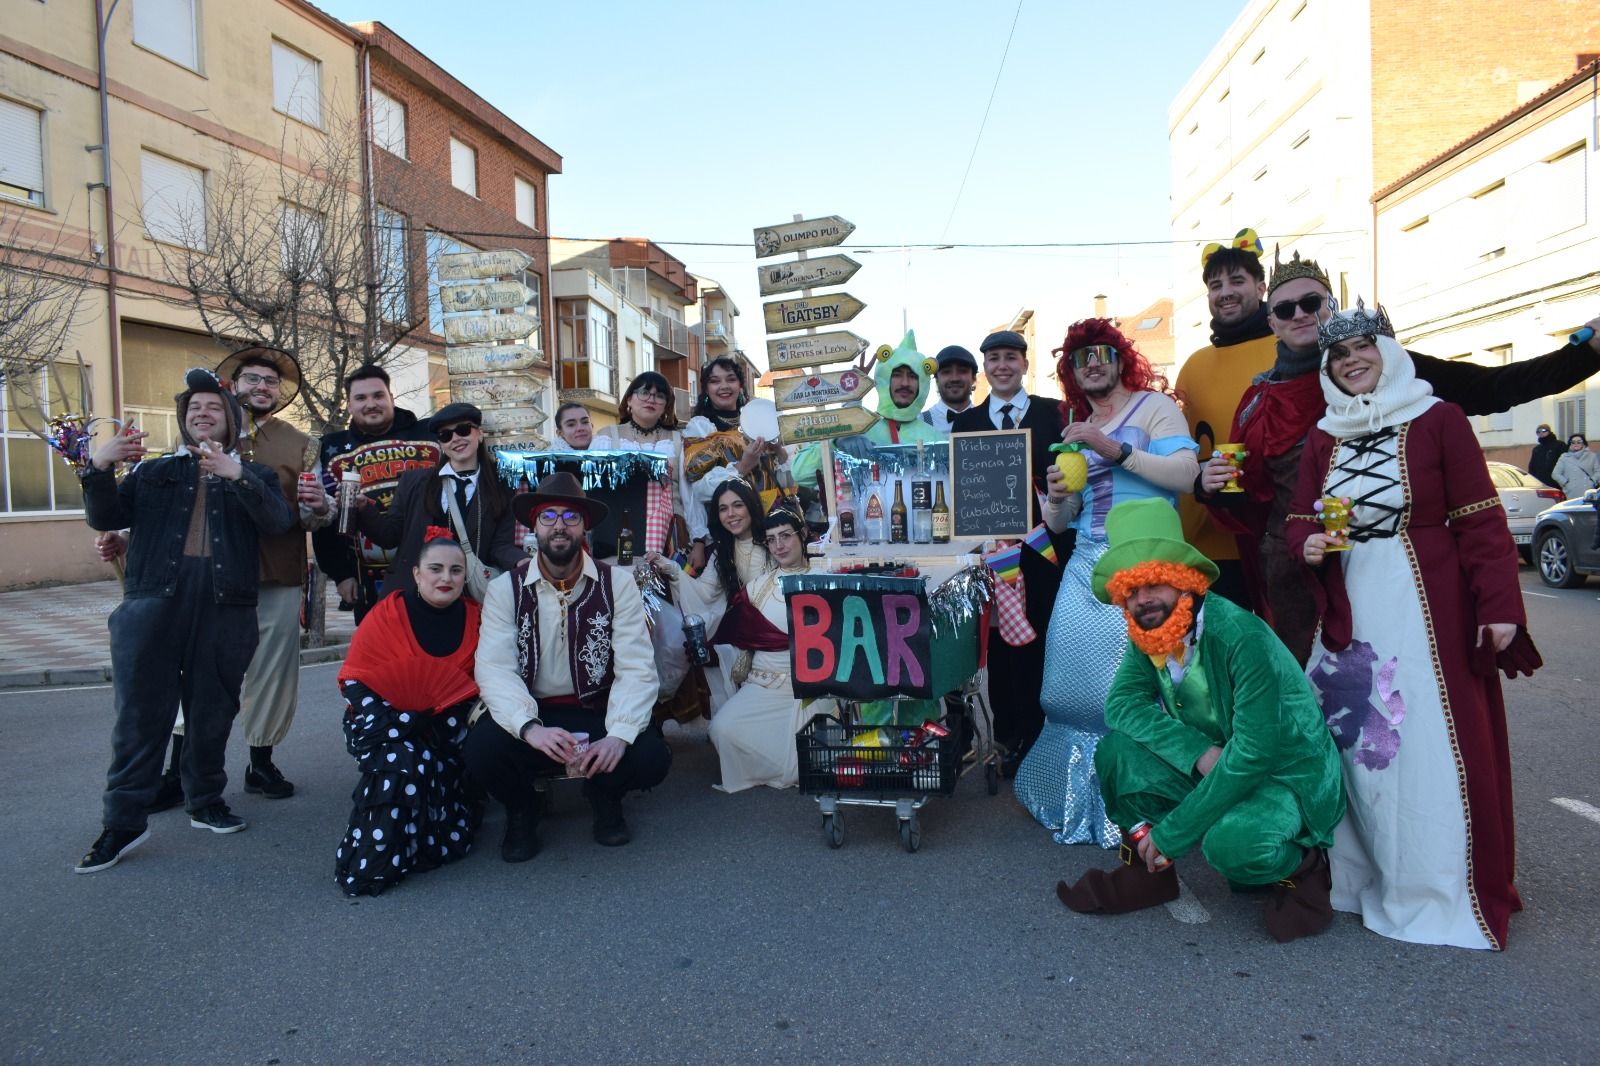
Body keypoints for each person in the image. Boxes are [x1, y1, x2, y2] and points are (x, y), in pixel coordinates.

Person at [1198, 247, 1600, 664]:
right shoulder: (1258, 400)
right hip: (1295, 576)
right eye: (1285, 308)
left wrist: (1582, 355)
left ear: (1330, 305)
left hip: (1394, 569)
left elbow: (1493, 387)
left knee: (1404, 692)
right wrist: (1209, 486)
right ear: (1272, 321)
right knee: (1312, 704)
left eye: (1311, 303)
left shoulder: (1382, 368)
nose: (1299, 314)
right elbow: (1251, 500)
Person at [1288, 302, 1539, 950]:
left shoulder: (1438, 420)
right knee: (1357, 750)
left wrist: (1501, 607)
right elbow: (1298, 521)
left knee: (1427, 749)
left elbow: (1481, 520)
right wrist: (1309, 544)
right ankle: (1360, 875)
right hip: (1351, 610)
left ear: (1389, 351)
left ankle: (1431, 884)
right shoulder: (1323, 437)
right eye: (1339, 356)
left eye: (1363, 348)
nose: (1352, 362)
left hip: (1428, 608)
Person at [1055, 499, 1346, 944]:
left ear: (1182, 579)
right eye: (1130, 590)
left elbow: (1254, 756)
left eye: (1153, 583)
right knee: (1116, 753)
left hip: (1284, 774)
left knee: (1230, 846)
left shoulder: (1239, 636)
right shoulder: (1150, 633)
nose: (1142, 599)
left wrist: (1174, 832)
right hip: (1218, 763)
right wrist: (1196, 752)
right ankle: (1150, 871)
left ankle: (1302, 868)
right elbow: (1122, 706)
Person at [74, 369, 293, 874]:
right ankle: (123, 821)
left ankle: (205, 801)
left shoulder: (254, 476)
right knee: (139, 716)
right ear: (183, 419)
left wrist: (234, 475)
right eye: (194, 408)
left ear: (232, 422)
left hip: (225, 606)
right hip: (153, 604)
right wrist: (99, 467)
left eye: (213, 407)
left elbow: (279, 523)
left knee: (213, 712)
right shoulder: (152, 473)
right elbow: (105, 517)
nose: (202, 413)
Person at [1015, 320, 1198, 846]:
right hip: (1088, 568)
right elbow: (1059, 523)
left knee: (1142, 695)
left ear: (1120, 360)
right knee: (1067, 691)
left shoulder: (1155, 408)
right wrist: (1053, 495)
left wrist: (1112, 448)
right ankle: (1068, 798)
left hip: (1152, 570)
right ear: (1071, 372)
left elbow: (1186, 475)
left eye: (1102, 353)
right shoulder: (1075, 424)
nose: (1092, 363)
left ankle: (1147, 802)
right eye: (1080, 358)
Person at [464, 473, 669, 859]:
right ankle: (522, 807)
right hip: (533, 711)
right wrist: (529, 728)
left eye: (571, 516)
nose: (559, 525)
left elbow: (637, 668)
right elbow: (494, 669)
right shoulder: (504, 589)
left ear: (584, 527)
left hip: (595, 708)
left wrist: (618, 736)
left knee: (650, 757)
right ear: (534, 526)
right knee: (480, 752)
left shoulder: (618, 584)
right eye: (549, 516)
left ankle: (605, 795)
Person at [333, 528, 483, 896]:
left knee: (426, 755)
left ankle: (418, 845)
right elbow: (357, 679)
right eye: (435, 569)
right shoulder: (388, 614)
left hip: (447, 725)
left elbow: (483, 681)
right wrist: (400, 722)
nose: (446, 578)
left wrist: (434, 719)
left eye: (455, 571)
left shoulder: (477, 619)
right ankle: (374, 860)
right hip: (381, 719)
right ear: (416, 574)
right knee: (400, 758)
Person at [950, 329, 1065, 771]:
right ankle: (1007, 738)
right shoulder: (967, 422)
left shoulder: (1052, 413)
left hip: (1045, 550)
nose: (1002, 365)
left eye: (1010, 358)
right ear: (986, 368)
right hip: (993, 555)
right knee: (999, 646)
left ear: (1024, 364)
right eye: (994, 358)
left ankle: (1041, 735)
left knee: (1041, 638)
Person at [665, 505, 826, 791]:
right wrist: (716, 652)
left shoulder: (827, 580)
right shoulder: (757, 588)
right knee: (722, 729)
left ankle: (789, 762)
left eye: (786, 536)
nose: (779, 545)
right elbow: (737, 641)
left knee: (814, 754)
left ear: (802, 535)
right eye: (772, 539)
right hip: (763, 685)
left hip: (812, 687)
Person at [1173, 231, 1274, 606]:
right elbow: (1179, 455)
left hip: (1278, 537)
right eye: (1216, 285)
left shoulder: (1290, 350)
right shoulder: (1194, 366)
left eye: (1237, 281)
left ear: (1261, 286)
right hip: (1210, 548)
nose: (1225, 292)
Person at [355, 403, 523, 600]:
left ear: (479, 433)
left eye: (463, 430)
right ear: (441, 444)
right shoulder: (414, 482)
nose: (456, 439)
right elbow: (389, 535)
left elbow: (500, 546)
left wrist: (522, 561)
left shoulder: (502, 486)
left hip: (470, 599)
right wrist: (364, 508)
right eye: (446, 435)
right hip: (414, 595)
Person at [313, 364, 437, 622]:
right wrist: (341, 573)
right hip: (366, 578)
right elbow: (325, 517)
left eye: (378, 395)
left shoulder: (431, 433)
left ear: (391, 398)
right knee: (380, 653)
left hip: (434, 570)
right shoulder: (330, 448)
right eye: (361, 398)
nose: (371, 404)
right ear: (349, 405)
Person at [788, 331, 946, 488]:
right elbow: (800, 473)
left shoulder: (936, 438)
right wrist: (837, 440)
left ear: (923, 383)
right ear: (884, 379)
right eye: (897, 375)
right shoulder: (861, 426)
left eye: (912, 376)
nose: (904, 383)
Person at [668, 478, 771, 713]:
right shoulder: (720, 552)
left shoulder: (772, 542)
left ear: (751, 506)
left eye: (737, 505)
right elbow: (704, 591)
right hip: (741, 633)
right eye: (723, 509)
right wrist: (672, 571)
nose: (731, 514)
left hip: (774, 634)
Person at [592, 370, 705, 555]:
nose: (651, 400)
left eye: (660, 396)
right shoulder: (607, 437)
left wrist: (699, 541)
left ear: (666, 406)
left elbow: (690, 496)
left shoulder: (679, 441)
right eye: (644, 392)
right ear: (629, 399)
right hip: (613, 533)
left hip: (668, 534)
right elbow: (594, 495)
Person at [683, 356, 787, 513]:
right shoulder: (700, 428)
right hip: (729, 523)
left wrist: (779, 450)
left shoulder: (759, 420)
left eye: (731, 379)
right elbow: (699, 490)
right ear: (706, 389)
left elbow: (789, 481)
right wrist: (743, 466)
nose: (724, 386)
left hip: (771, 520)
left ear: (740, 386)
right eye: (715, 381)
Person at [921, 344, 979, 431]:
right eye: (946, 372)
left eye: (962, 371)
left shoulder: (991, 420)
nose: (954, 378)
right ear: (936, 379)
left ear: (974, 377)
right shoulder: (921, 423)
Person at [1552, 433, 1600, 500]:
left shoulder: (1592, 456)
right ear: (1570, 444)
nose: (1576, 444)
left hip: (1588, 491)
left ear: (1584, 444)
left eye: (1579, 442)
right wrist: (1566, 483)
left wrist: (1592, 481)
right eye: (1573, 442)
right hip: (1571, 492)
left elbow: (1598, 471)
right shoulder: (1564, 457)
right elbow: (1555, 474)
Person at [1527, 423, 1565, 489]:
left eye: (1544, 430)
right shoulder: (1537, 449)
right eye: (1538, 431)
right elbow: (1532, 467)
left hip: (1557, 482)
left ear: (1549, 431)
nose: (1541, 433)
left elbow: (1566, 462)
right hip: (1541, 483)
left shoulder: (1559, 445)